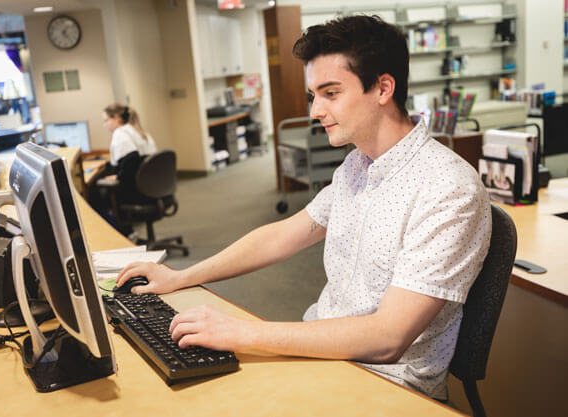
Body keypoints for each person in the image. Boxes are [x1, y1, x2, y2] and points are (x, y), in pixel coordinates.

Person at [116, 15, 491, 400]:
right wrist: (180, 277)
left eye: (331, 94)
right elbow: (282, 235)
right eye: (314, 95)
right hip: (323, 357)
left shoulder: (448, 188)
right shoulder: (356, 165)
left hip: (386, 387)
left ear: (383, 88)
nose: (315, 111)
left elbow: (388, 338)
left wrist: (245, 333)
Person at [92, 104, 157, 234]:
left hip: (138, 194)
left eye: (106, 120)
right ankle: (126, 232)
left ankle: (122, 234)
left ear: (116, 117)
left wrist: (118, 176)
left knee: (94, 194)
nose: (105, 125)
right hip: (154, 189)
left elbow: (131, 162)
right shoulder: (140, 132)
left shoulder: (120, 134)